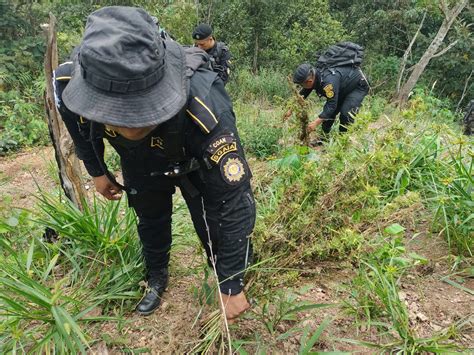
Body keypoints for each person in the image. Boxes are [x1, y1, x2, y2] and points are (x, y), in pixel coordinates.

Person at [53, 6, 255, 321]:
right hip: (139, 163)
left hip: (192, 162)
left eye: (143, 113)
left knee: (213, 225)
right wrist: (97, 170)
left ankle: (229, 274)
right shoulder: (71, 83)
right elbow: (75, 123)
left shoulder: (205, 103)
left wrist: (232, 283)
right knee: (150, 219)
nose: (132, 128)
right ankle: (156, 275)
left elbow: (235, 199)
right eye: (118, 116)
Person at [290, 61, 369, 144]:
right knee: (329, 113)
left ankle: (343, 142)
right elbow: (304, 92)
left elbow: (331, 105)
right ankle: (323, 139)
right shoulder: (316, 75)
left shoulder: (328, 82)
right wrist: (290, 109)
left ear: (309, 81)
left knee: (346, 114)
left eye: (302, 85)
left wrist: (315, 123)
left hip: (357, 86)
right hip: (342, 86)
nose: (302, 87)